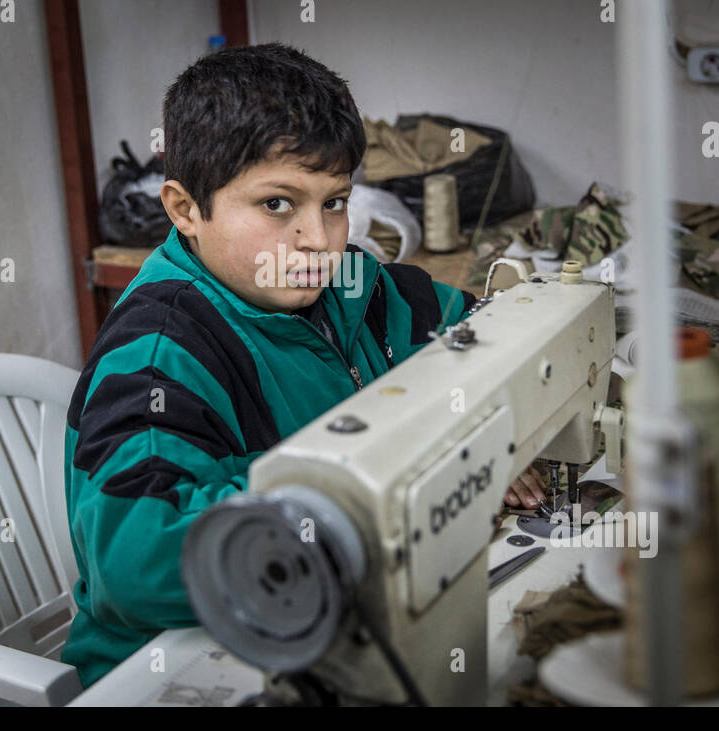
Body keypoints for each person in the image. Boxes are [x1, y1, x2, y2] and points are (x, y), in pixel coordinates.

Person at [61, 42, 547, 689]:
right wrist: (373, 504)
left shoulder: (351, 288)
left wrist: (495, 426)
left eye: (335, 202)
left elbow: (486, 333)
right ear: (184, 210)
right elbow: (133, 557)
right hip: (173, 667)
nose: (319, 239)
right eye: (277, 205)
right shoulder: (159, 356)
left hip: (318, 627)